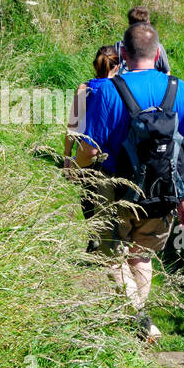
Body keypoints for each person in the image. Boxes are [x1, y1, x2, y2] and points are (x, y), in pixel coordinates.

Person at [77, 22, 184, 340]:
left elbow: (90, 148)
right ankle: (137, 328)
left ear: (123, 53)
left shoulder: (107, 90)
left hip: (116, 192)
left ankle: (138, 320)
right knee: (141, 256)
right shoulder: (179, 88)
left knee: (110, 257)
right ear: (158, 53)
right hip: (163, 192)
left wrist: (75, 172)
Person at [64, 46, 121, 249]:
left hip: (85, 149)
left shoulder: (84, 88)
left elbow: (73, 125)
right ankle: (110, 240)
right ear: (118, 66)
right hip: (112, 152)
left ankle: (92, 237)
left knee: (87, 195)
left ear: (95, 65)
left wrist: (67, 156)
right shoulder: (120, 89)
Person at [113, 6, 171, 74]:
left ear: (129, 25)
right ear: (148, 24)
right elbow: (167, 73)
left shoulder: (119, 46)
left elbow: (111, 71)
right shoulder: (156, 47)